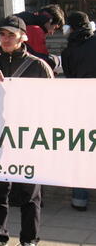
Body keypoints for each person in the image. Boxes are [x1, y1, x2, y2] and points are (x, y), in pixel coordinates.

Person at [0, 15, 54, 246]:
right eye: (3, 34)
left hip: (26, 138)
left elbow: (53, 103)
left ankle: (29, 240)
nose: (6, 38)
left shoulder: (39, 66)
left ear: (23, 37)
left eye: (11, 34)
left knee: (30, 193)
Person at [60, 11, 96, 211]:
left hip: (81, 106)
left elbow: (70, 79)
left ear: (70, 29)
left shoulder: (68, 52)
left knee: (82, 150)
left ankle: (79, 199)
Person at [0, 5, 65, 70]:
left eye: (11, 35)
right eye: (54, 28)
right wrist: (56, 60)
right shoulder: (35, 30)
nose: (52, 33)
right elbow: (42, 62)